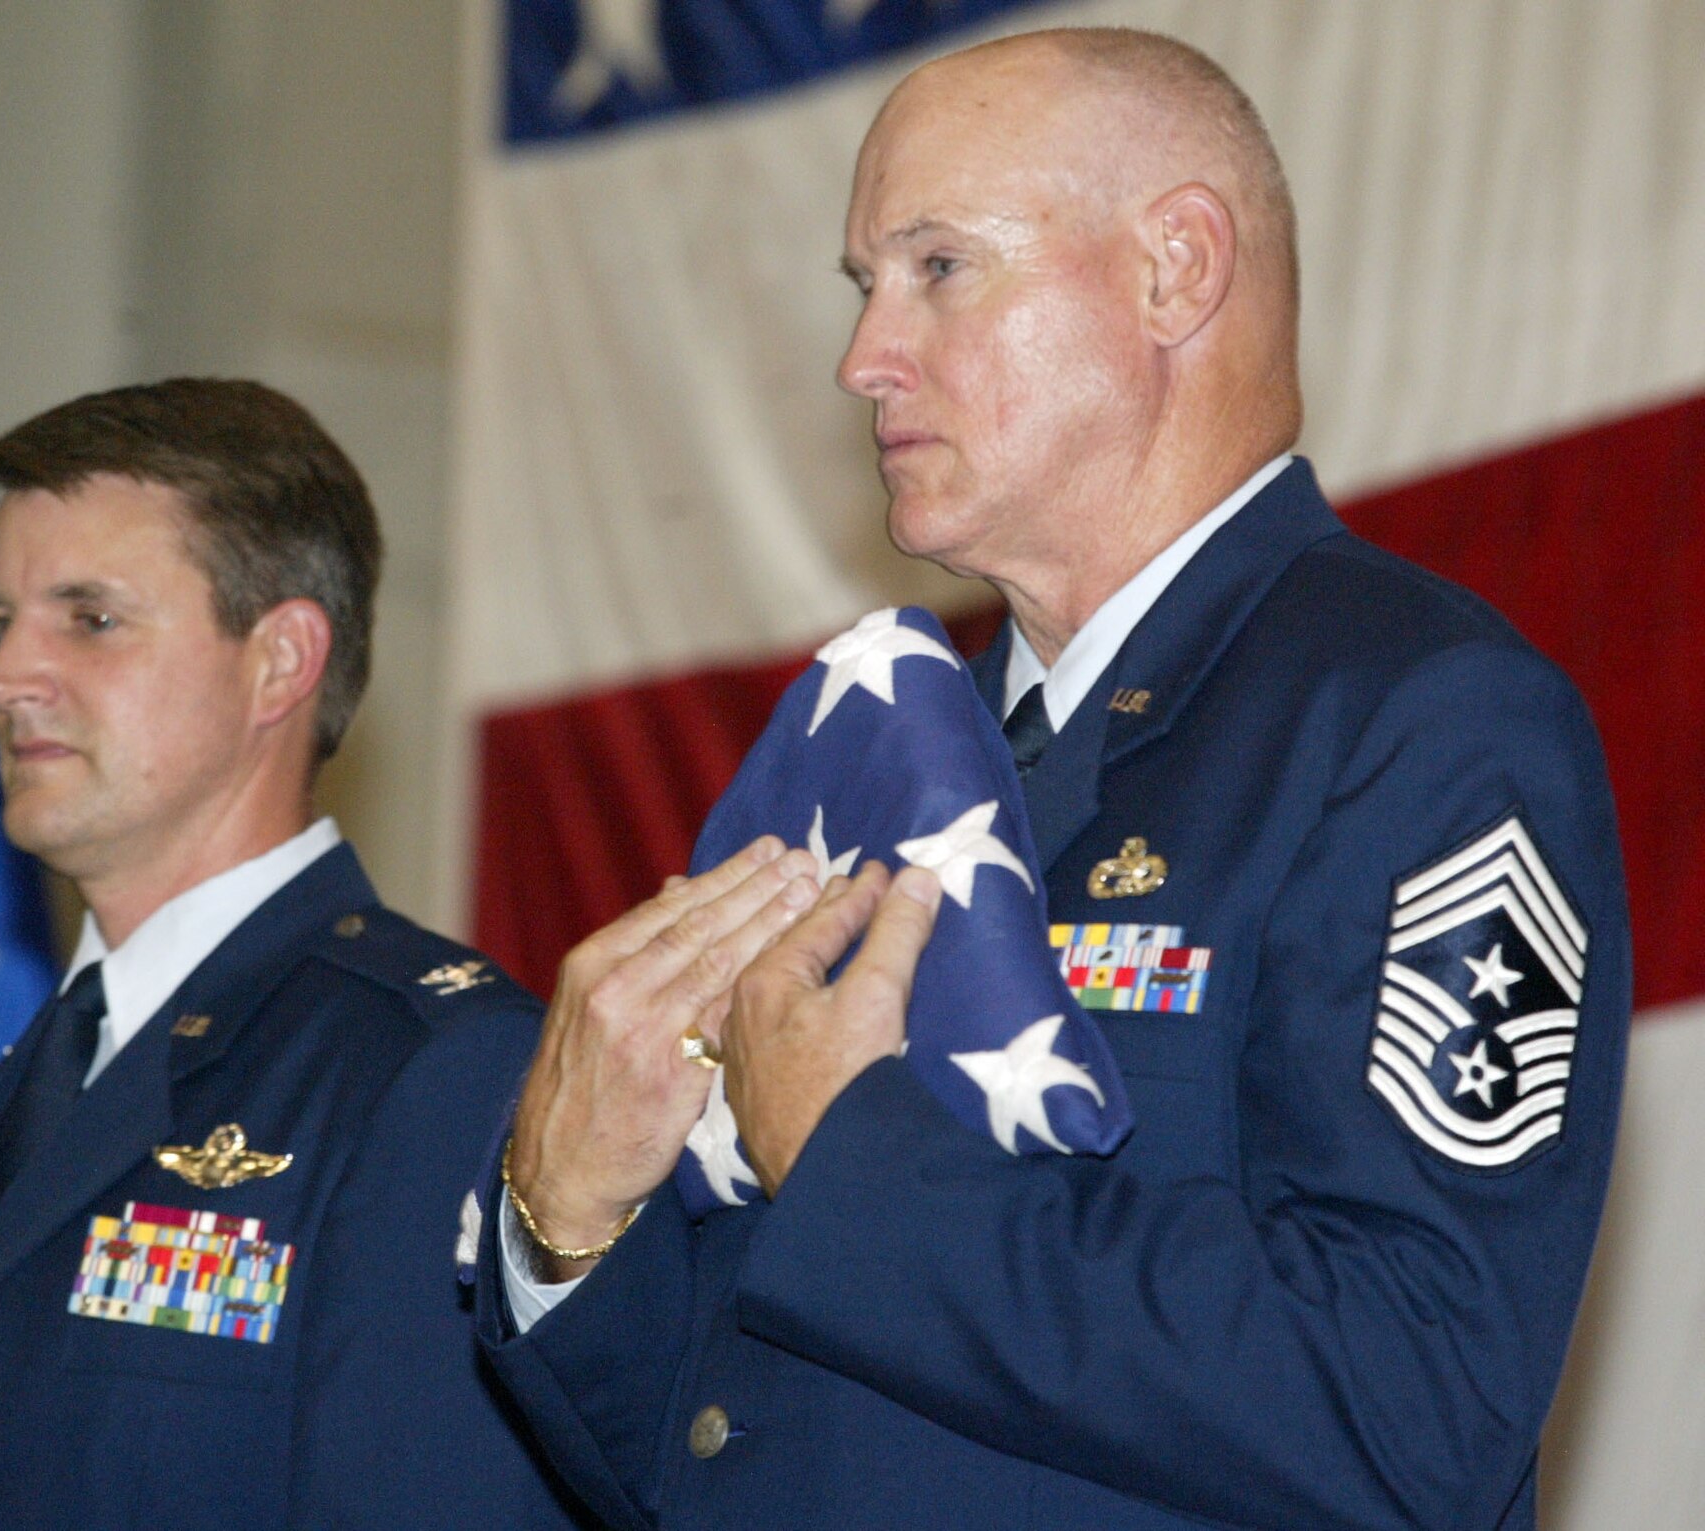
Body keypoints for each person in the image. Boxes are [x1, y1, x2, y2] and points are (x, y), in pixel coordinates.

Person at [476, 27, 1629, 1531]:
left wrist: (850, 1155)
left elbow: (1412, 1401)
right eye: (863, 285)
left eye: (939, 266)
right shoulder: (886, 764)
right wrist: (568, 1229)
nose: (863, 357)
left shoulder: (1415, 718)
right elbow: (728, 1444)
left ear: (1175, 270)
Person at [0, 379, 589, 1529]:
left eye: (88, 619)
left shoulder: (432, 1070)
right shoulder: (32, 1081)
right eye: (2, 620)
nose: (1, 678)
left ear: (280, 661)